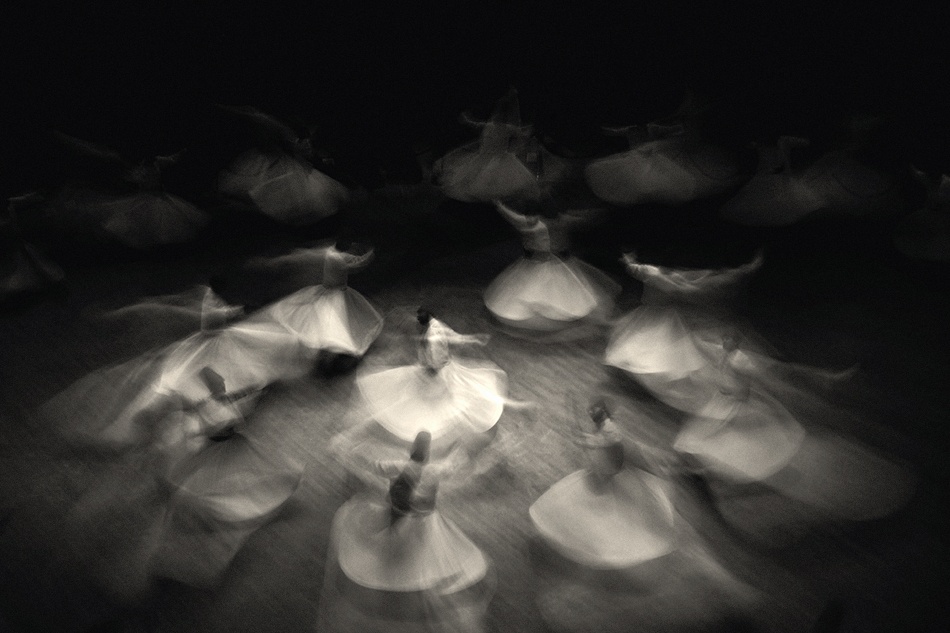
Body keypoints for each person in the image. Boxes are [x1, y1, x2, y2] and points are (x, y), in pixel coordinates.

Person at [318, 431, 494, 633]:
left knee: (411, 556)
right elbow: (456, 468)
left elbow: (373, 466)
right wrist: (474, 457)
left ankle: (409, 584)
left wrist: (347, 451)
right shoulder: (429, 470)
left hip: (408, 520)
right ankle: (413, 584)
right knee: (417, 556)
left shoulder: (403, 467)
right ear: (426, 453)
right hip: (416, 522)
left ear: (413, 451)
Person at [604, 251, 763, 415]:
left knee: (658, 357)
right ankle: (636, 384)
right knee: (648, 354)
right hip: (657, 320)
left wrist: (742, 271)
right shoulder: (661, 275)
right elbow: (697, 283)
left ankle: (642, 386)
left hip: (664, 321)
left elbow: (705, 281)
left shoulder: (666, 276)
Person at [355, 308, 508, 443]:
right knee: (437, 394)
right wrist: (473, 339)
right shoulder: (433, 327)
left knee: (440, 397)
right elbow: (451, 338)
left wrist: (431, 368)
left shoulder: (434, 334)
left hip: (437, 371)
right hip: (435, 369)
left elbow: (440, 350)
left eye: (418, 321)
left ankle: (455, 426)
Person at [484, 201, 619, 332]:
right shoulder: (532, 223)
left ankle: (555, 313)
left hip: (556, 262)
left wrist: (596, 212)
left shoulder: (560, 221)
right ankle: (541, 314)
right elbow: (513, 217)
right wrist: (500, 206)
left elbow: (580, 219)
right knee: (535, 288)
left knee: (560, 289)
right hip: (538, 262)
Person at [254, 238, 384, 374]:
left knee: (328, 325)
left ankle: (327, 355)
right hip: (332, 295)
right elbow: (354, 263)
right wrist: (368, 255)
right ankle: (331, 355)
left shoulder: (328, 253)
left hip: (330, 293)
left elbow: (350, 262)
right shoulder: (335, 257)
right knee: (333, 325)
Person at [216, 105, 349, 225]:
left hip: (298, 187)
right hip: (287, 184)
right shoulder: (256, 160)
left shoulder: (284, 150)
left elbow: (281, 133)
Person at [433, 88, 541, 203]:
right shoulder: (491, 125)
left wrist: (527, 130)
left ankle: (498, 202)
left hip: (498, 158)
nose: (497, 116)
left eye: (500, 115)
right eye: (497, 114)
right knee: (479, 181)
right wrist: (467, 120)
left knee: (493, 182)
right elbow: (475, 124)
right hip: (484, 156)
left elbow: (520, 133)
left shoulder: (506, 128)